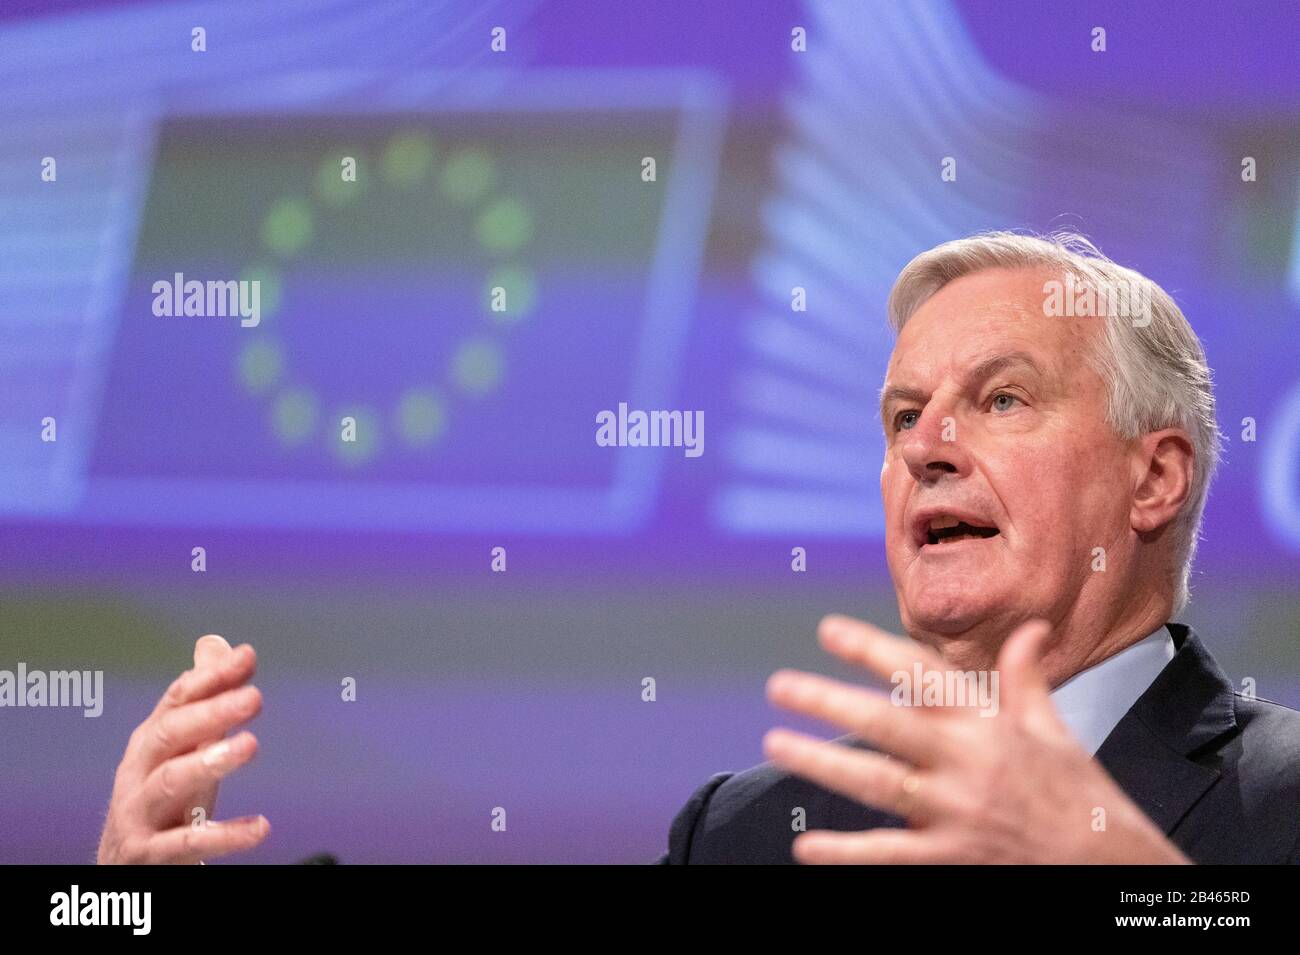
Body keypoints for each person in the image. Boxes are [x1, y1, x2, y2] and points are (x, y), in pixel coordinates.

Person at [96, 232, 1300, 865]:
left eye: (1000, 399)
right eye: (899, 418)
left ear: (1154, 478)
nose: (928, 443)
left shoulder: (1278, 800)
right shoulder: (745, 832)